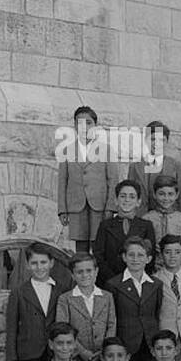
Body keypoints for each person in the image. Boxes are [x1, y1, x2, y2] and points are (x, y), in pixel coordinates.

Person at [58, 105, 124, 253]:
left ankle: (97, 275)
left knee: (99, 244)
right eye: (79, 123)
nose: (84, 127)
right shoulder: (67, 150)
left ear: (95, 126)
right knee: (80, 247)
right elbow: (62, 181)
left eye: (88, 123)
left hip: (99, 206)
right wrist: (62, 210)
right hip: (76, 206)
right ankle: (80, 273)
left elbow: (113, 180)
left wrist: (110, 207)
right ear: (74, 126)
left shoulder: (106, 150)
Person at [107, 235, 163, 361]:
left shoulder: (156, 284)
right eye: (131, 255)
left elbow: (156, 313)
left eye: (140, 255)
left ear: (148, 259)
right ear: (124, 257)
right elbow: (113, 317)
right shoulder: (113, 284)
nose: (135, 259)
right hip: (125, 343)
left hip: (149, 342)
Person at [56, 252, 115, 361]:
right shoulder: (65, 299)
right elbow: (63, 329)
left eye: (89, 271)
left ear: (96, 271)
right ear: (72, 275)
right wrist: (82, 352)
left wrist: (104, 350)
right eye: (79, 272)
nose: (85, 275)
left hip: (103, 358)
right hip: (76, 358)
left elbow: (111, 325)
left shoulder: (107, 296)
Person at [94, 179, 157, 285]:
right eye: (123, 196)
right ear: (116, 200)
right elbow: (98, 256)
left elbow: (150, 256)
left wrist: (138, 279)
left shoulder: (146, 226)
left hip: (137, 281)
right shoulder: (105, 225)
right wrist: (113, 280)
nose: (127, 200)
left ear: (138, 202)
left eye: (132, 197)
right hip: (109, 281)